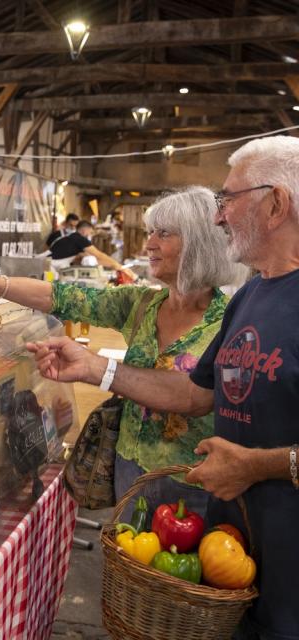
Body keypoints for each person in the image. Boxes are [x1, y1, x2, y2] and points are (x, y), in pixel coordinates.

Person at [27, 136, 299, 640]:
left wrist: (255, 465)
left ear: (277, 204)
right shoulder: (252, 297)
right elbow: (195, 396)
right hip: (234, 547)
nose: (219, 218)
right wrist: (94, 370)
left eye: (229, 199)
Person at [0, 186, 245, 517]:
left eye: (164, 234)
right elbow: (62, 297)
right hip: (128, 469)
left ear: (200, 243)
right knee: (121, 565)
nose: (149, 244)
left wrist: (97, 368)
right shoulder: (143, 303)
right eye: (150, 232)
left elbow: (194, 396)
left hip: (194, 484)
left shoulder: (231, 321)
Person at [50, 219, 136, 278]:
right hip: (50, 266)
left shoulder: (72, 237)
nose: (90, 234)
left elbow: (88, 257)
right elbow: (99, 255)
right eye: (90, 232)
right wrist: (119, 267)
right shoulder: (79, 239)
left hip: (53, 265)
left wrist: (114, 265)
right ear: (84, 230)